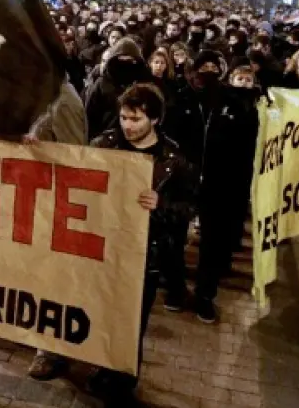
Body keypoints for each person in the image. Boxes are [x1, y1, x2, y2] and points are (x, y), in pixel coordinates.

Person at [87, 83, 194, 406]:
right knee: (104, 314)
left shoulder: (173, 159)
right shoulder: (103, 144)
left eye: (136, 119)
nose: (127, 126)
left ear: (155, 119)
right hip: (104, 247)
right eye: (123, 117)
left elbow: (188, 208)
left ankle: (122, 382)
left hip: (146, 255)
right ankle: (103, 369)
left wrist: (162, 204)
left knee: (132, 321)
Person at [173, 49, 259, 322]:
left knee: (211, 244)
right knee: (174, 238)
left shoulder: (232, 102)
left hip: (218, 184)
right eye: (204, 66)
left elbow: (246, 144)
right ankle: (175, 289)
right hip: (183, 180)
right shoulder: (183, 97)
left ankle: (205, 296)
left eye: (214, 66)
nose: (208, 71)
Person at [25, 77, 87, 381]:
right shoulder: (39, 91)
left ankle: (51, 351)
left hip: (55, 203)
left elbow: (75, 158)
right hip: (36, 198)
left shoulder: (63, 102)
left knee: (53, 275)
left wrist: (39, 150)